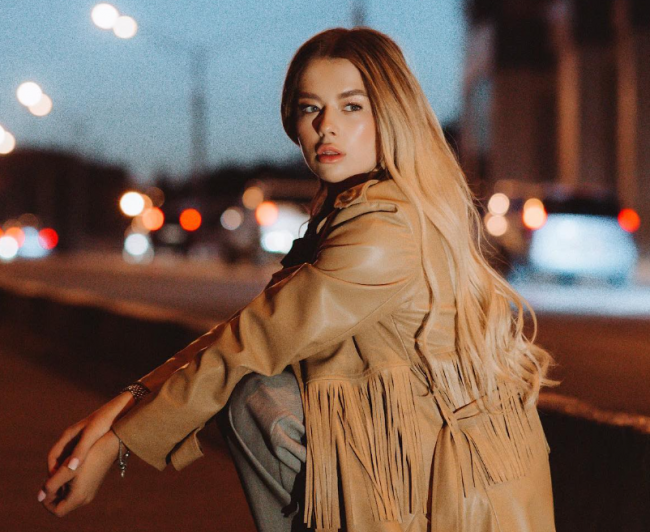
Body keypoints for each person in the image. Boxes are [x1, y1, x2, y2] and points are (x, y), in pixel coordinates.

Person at [38, 27, 557, 531]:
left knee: (256, 395)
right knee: (257, 391)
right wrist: (124, 406)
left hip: (457, 495)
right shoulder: (361, 208)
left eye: (352, 107)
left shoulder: (385, 229)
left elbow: (254, 344)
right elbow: (251, 329)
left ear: (392, 115)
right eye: (311, 108)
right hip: (435, 469)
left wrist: (119, 443)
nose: (326, 126)